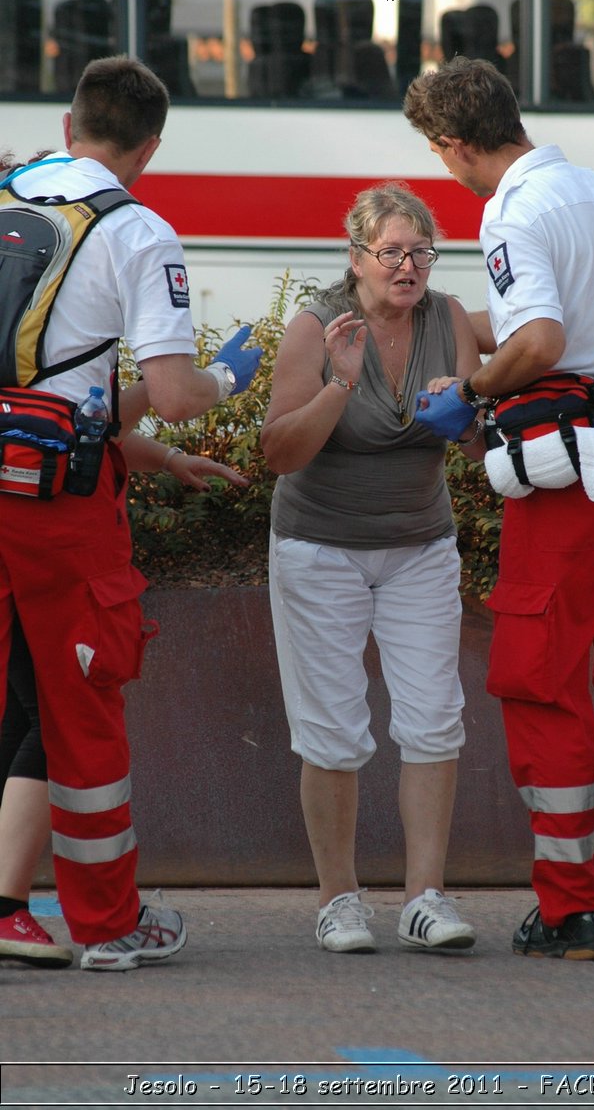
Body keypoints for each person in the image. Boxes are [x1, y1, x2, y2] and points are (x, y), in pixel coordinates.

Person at [404, 57, 594, 961]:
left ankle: (571, 908)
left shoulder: (510, 210)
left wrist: (472, 386)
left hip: (569, 470)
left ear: (456, 144)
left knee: (542, 672)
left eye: (439, 153)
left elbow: (541, 338)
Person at [0, 57, 262, 972]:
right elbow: (173, 392)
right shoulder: (137, 230)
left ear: (68, 124)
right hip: (53, 508)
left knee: (13, 700)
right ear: (149, 147)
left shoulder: (7, 190)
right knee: (83, 703)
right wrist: (229, 374)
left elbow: (73, 387)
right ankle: (106, 924)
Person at [260, 182, 484, 954]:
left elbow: (482, 448)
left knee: (433, 718)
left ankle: (426, 898)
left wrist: (466, 410)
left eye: (421, 250)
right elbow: (278, 452)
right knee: (332, 730)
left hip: (421, 543)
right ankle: (338, 900)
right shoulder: (318, 325)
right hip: (320, 547)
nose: (409, 266)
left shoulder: (447, 318)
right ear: (356, 257)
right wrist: (342, 383)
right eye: (392, 252)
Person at [0, 408, 249, 969]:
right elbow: (135, 404)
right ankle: (85, 922)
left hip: (27, 545)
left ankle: (20, 907)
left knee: (27, 717)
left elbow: (87, 428)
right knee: (60, 727)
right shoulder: (56, 334)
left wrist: (165, 457)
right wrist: (220, 383)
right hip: (47, 551)